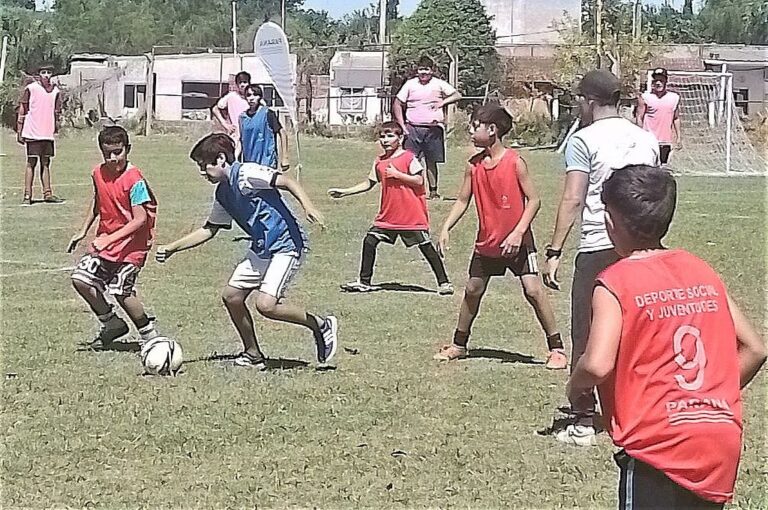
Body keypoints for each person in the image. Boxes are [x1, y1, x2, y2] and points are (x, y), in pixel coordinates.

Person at [567, 165, 766, 508]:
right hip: (718, 438)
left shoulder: (616, 281)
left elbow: (598, 365)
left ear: (611, 220)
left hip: (657, 443)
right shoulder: (699, 268)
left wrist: (574, 387)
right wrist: (707, 397)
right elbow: (755, 349)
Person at [543, 69, 660, 444]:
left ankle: (582, 417)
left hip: (598, 243)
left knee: (588, 331)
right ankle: (634, 407)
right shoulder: (646, 138)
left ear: (588, 101)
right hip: (643, 244)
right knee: (635, 330)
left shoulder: (584, 139)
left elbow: (573, 198)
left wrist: (555, 249)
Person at [155, 134, 338, 368]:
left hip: (286, 245)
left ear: (221, 159)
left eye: (205, 165)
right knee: (232, 296)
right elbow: (210, 229)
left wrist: (308, 207)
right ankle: (253, 354)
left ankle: (320, 325)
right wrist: (173, 248)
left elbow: (287, 181)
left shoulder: (247, 174)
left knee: (266, 306)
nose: (202, 172)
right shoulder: (222, 193)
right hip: (261, 249)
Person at [434, 104, 566, 369]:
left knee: (533, 290)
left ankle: (557, 350)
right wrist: (446, 226)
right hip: (488, 243)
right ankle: (459, 345)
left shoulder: (516, 162)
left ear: (492, 130)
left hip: (518, 244)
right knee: (473, 290)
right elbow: (462, 200)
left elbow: (534, 200)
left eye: (475, 126)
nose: (470, 131)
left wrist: (518, 233)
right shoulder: (473, 166)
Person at [327, 121, 453, 295]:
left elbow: (419, 180)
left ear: (400, 138)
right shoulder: (379, 161)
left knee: (425, 246)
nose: (385, 140)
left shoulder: (409, 158)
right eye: (382, 136)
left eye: (390, 136)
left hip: (410, 215)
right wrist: (344, 192)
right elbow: (369, 183)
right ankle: (364, 282)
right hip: (388, 216)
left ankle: (444, 283)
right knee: (370, 240)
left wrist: (398, 175)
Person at [68, 126, 160, 349]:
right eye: (107, 153)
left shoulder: (134, 179)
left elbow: (139, 219)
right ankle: (112, 324)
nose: (112, 158)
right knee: (80, 279)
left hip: (131, 247)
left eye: (118, 152)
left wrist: (108, 240)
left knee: (121, 290)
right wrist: (83, 230)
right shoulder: (98, 173)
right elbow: (98, 201)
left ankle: (151, 338)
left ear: (127, 149)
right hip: (107, 245)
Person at [393, 56, 462, 200]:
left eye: (426, 69)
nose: (423, 73)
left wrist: (442, 102)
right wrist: (402, 126)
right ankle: (410, 190)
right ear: (417, 70)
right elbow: (397, 103)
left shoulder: (438, 84)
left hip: (433, 129)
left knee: (432, 161)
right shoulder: (410, 84)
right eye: (421, 69)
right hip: (413, 128)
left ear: (432, 70)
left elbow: (457, 95)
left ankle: (433, 192)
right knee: (410, 161)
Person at [16, 63, 65, 205]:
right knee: (32, 162)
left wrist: (55, 127)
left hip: (47, 133)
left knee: (46, 163)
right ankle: (27, 195)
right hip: (32, 132)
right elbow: (22, 109)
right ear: (38, 75)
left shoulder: (55, 91)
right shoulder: (31, 89)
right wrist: (19, 129)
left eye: (49, 72)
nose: (46, 75)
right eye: (43, 72)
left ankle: (48, 193)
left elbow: (56, 112)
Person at [636, 67, 681, 166]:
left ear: (666, 81)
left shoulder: (674, 98)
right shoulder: (645, 97)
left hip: (665, 142)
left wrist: (678, 137)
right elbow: (639, 117)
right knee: (649, 168)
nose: (658, 83)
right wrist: (640, 136)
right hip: (649, 141)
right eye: (656, 80)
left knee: (662, 168)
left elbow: (676, 118)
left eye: (661, 80)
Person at [239, 84, 289, 171]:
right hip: (249, 164)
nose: (251, 98)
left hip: (267, 163)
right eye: (248, 95)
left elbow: (282, 133)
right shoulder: (242, 118)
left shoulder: (268, 113)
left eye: (255, 95)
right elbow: (241, 140)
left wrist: (285, 157)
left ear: (260, 97)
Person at [212, 71, 251, 155]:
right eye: (240, 83)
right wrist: (225, 124)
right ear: (237, 84)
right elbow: (215, 108)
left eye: (245, 82)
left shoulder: (252, 97)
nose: (242, 85)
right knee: (234, 159)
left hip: (250, 134)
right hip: (236, 134)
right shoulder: (231, 96)